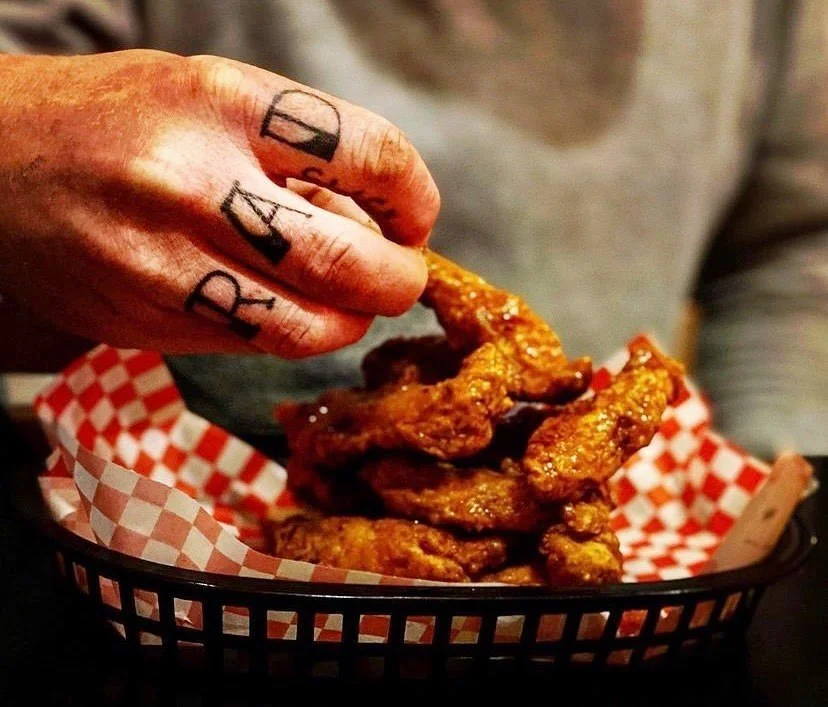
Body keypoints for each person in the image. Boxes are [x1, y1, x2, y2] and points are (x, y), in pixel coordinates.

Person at [0, 1, 825, 459]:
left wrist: (755, 496)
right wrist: (20, 130)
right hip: (156, 527)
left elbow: (796, 255)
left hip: (608, 583)